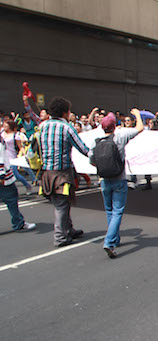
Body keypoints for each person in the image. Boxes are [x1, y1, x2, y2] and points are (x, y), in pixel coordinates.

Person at [89, 109, 144, 258]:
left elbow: (92, 161)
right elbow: (140, 128)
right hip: (119, 179)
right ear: (114, 126)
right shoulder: (120, 137)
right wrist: (138, 115)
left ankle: (115, 239)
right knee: (118, 211)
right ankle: (109, 241)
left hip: (104, 180)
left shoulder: (96, 141)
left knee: (109, 211)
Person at [40, 97, 90, 247]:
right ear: (65, 112)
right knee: (62, 204)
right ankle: (60, 237)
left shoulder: (42, 126)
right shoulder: (66, 128)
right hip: (61, 173)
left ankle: (69, 229)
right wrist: (98, 157)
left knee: (63, 202)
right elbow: (83, 149)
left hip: (46, 172)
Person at [0, 134, 36, 232]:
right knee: (11, 200)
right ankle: (19, 223)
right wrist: (1, 175)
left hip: (5, 174)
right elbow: (0, 159)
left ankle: (19, 222)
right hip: (5, 178)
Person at [1, 120, 33, 194]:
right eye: (4, 126)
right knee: (4, 175)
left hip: (13, 157)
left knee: (16, 175)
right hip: (4, 157)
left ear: (10, 127)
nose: (4, 127)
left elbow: (20, 147)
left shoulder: (16, 136)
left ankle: (27, 185)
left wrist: (25, 155)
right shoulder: (2, 134)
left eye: (6, 126)